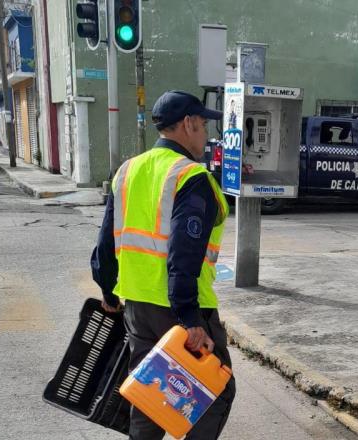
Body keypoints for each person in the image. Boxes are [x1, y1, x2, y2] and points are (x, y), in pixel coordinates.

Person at [91, 90, 235, 440]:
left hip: (138, 307)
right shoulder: (190, 177)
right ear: (187, 124)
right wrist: (190, 319)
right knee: (215, 390)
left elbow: (106, 243)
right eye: (202, 126)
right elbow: (183, 253)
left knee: (150, 391)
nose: (205, 135)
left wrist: (108, 290)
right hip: (181, 309)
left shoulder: (127, 171)